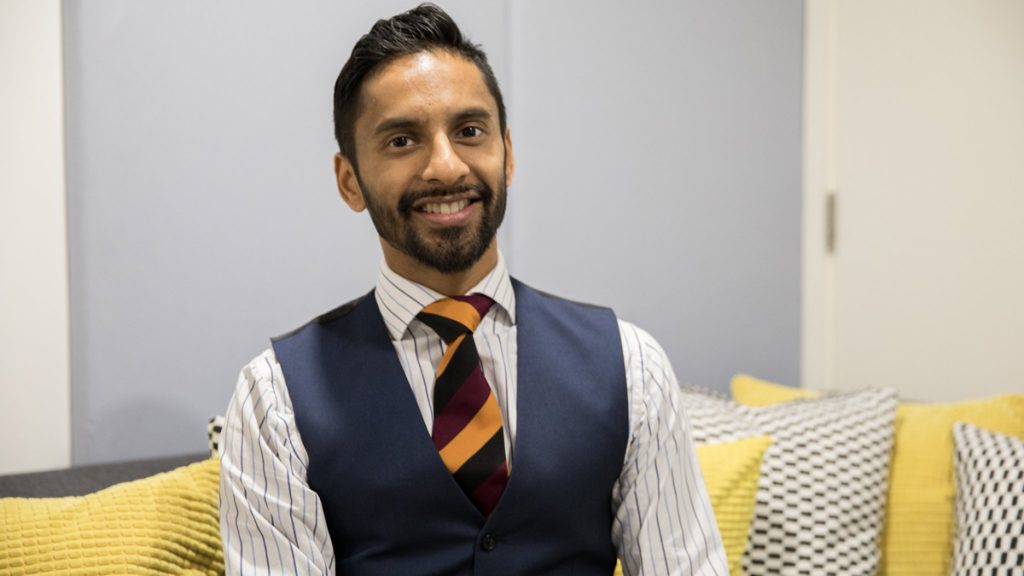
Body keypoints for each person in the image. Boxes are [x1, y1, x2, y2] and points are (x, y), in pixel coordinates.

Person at [219, 4, 727, 575]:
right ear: (349, 181)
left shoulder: (632, 366)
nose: (446, 166)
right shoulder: (274, 398)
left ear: (507, 154)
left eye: (469, 132)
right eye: (402, 140)